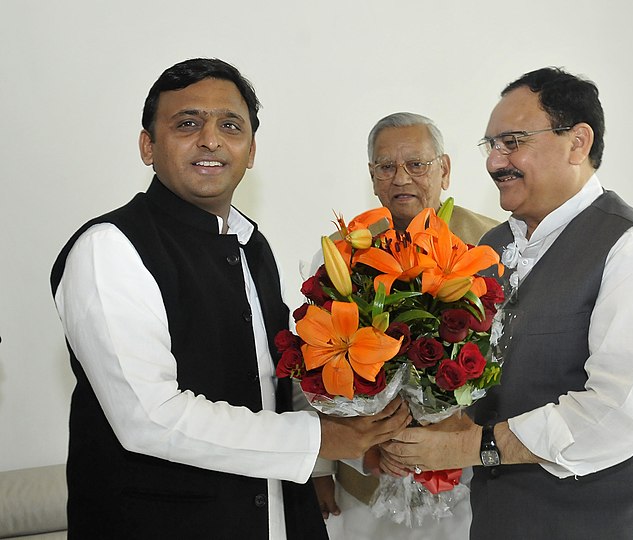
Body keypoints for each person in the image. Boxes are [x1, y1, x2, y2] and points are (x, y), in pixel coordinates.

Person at [49, 58, 410, 540]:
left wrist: (359, 434)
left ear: (252, 150)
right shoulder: (110, 247)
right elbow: (149, 417)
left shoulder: (250, 247)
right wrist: (321, 437)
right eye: (187, 123)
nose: (211, 139)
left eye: (230, 125)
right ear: (147, 145)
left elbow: (272, 385)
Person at [381, 67, 633, 540]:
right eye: (489, 145)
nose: (494, 162)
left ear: (577, 142)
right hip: (502, 519)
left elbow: (619, 413)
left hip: (612, 523)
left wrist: (475, 446)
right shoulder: (488, 248)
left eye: (512, 142)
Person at [313, 112, 499, 539]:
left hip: (468, 478)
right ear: (372, 176)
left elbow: (513, 362)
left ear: (445, 170)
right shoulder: (344, 252)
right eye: (386, 167)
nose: (401, 178)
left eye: (417, 164)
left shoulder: (491, 245)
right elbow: (314, 363)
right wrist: (323, 467)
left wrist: (460, 433)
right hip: (367, 476)